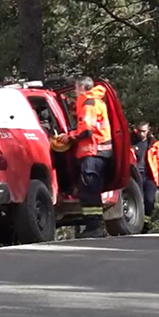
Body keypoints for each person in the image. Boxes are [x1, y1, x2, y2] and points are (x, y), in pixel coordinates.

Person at [60, 76, 113, 239]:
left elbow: (86, 131)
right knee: (93, 188)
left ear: (83, 88)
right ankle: (96, 225)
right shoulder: (95, 101)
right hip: (99, 151)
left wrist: (69, 136)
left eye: (76, 88)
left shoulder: (88, 102)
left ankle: (93, 226)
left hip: (93, 151)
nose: (75, 92)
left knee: (88, 189)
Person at [132, 121, 159, 231]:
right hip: (134, 176)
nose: (141, 134)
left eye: (144, 131)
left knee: (149, 200)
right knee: (137, 200)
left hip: (150, 177)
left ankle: (146, 224)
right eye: (139, 131)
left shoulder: (154, 144)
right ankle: (136, 224)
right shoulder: (129, 142)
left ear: (148, 131)